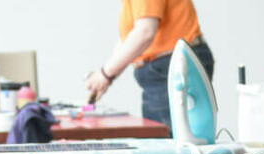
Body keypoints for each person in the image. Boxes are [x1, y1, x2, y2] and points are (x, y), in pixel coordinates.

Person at [85, 0, 214, 127]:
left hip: (170, 65)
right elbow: (129, 38)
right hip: (168, 65)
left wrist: (105, 74)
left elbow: (145, 32)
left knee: (166, 143)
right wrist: (105, 77)